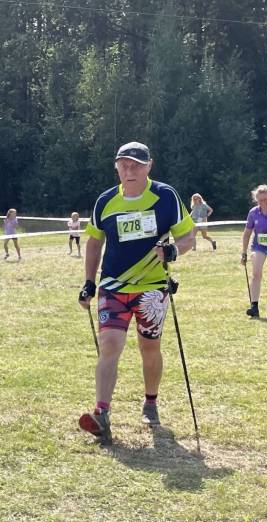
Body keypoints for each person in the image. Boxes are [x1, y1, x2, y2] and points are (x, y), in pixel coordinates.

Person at [77, 141, 195, 442]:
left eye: (136, 165)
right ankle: (101, 414)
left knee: (149, 347)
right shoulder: (105, 201)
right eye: (124, 165)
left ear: (149, 166)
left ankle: (151, 402)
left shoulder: (166, 196)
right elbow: (94, 242)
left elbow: (188, 237)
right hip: (114, 287)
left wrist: (173, 250)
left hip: (152, 289)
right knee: (109, 345)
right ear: (116, 167)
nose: (129, 171)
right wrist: (89, 282)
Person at [240, 184, 267, 318]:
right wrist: (244, 252)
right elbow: (247, 233)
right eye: (260, 200)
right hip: (259, 246)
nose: (263, 203)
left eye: (266, 199)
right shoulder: (253, 212)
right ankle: (254, 306)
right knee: (256, 273)